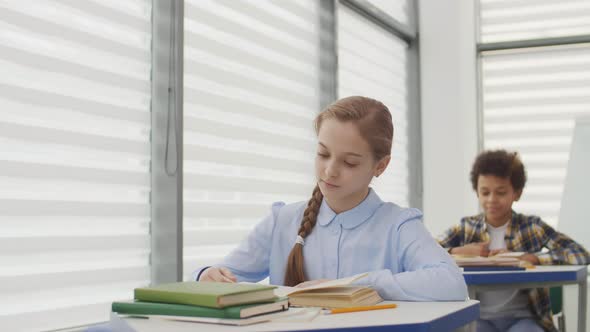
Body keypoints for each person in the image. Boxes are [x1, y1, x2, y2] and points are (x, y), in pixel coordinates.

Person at [194, 96, 467, 302]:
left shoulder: (399, 225)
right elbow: (224, 273)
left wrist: (358, 285)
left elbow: (451, 283)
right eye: (323, 154)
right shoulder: (282, 221)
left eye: (349, 162)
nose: (330, 171)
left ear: (380, 166)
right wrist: (208, 274)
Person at [438, 149, 590, 332]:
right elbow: (425, 252)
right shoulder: (466, 228)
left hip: (523, 319)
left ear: (517, 193)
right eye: (485, 192)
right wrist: (457, 252)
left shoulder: (532, 227)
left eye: (501, 192)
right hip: (478, 318)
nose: (491, 200)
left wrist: (533, 258)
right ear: (476, 191)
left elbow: (580, 254)